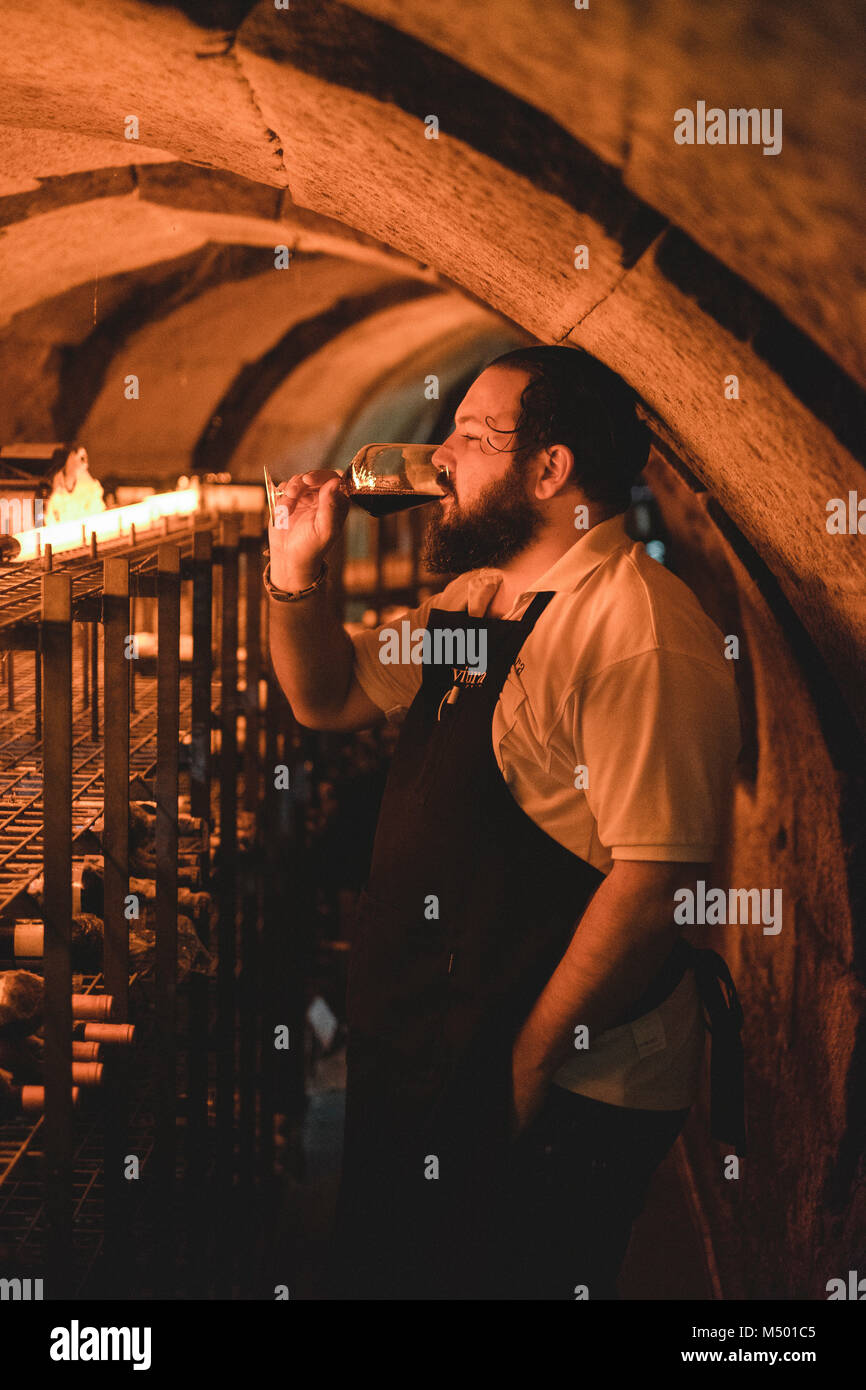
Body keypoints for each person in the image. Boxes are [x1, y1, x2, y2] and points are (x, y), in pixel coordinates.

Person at [265, 346, 744, 1300]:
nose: (440, 458)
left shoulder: (635, 630)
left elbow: (655, 887)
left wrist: (519, 1077)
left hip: (562, 1091)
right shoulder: (478, 603)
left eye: (472, 437)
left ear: (550, 470)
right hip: (448, 1058)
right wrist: (294, 572)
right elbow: (329, 693)